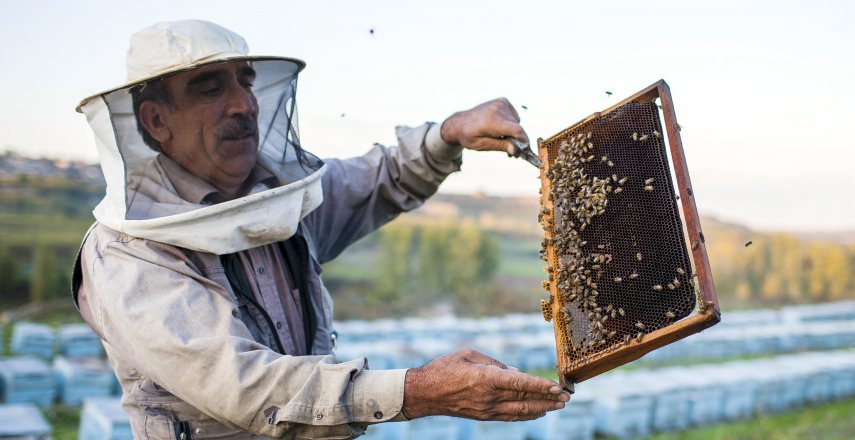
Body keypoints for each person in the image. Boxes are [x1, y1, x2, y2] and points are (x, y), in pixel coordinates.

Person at [72, 19, 568, 439]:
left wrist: (447, 134)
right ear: (156, 121)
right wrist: (418, 390)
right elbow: (247, 387)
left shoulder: (281, 198)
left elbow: (382, 179)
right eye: (211, 88)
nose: (243, 104)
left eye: (245, 82)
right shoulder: (127, 252)